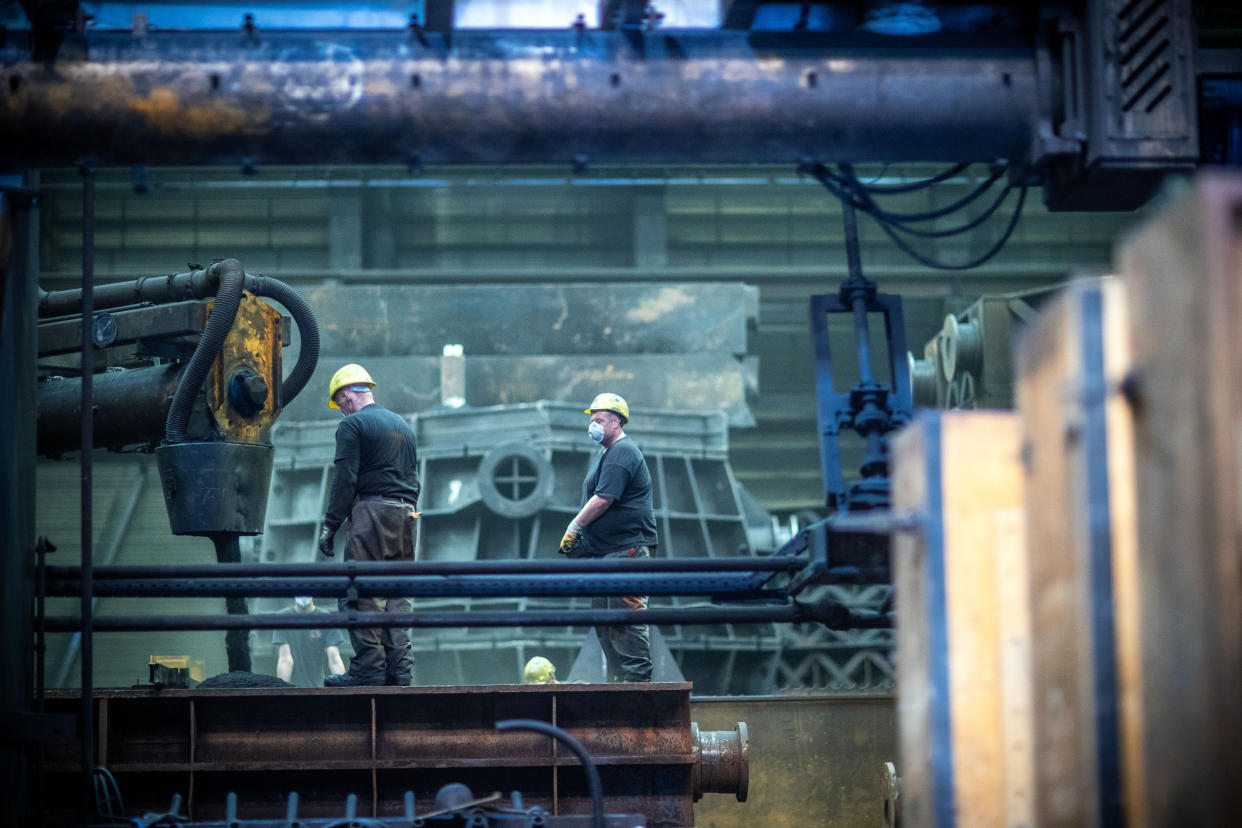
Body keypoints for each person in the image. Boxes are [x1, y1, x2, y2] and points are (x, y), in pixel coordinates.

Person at [317, 363, 421, 687]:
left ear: (346, 395)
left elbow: (345, 480)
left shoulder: (353, 426)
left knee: (359, 593)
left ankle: (368, 671)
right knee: (396, 597)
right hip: (407, 516)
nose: (342, 411)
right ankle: (399, 674)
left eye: (341, 404)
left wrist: (330, 525)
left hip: (373, 514)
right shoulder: (402, 424)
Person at [560, 393, 657, 683]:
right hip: (606, 553)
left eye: (599, 420)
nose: (594, 425)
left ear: (616, 421)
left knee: (625, 616)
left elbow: (604, 499)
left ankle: (638, 682)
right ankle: (622, 680)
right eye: (592, 420)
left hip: (625, 551)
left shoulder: (622, 452)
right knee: (604, 620)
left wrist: (574, 527)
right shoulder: (606, 453)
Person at [273, 596, 347, 688]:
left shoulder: (327, 619)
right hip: (293, 690)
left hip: (318, 688)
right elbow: (285, 660)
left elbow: (334, 659)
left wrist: (343, 690)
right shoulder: (283, 618)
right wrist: (283, 691)